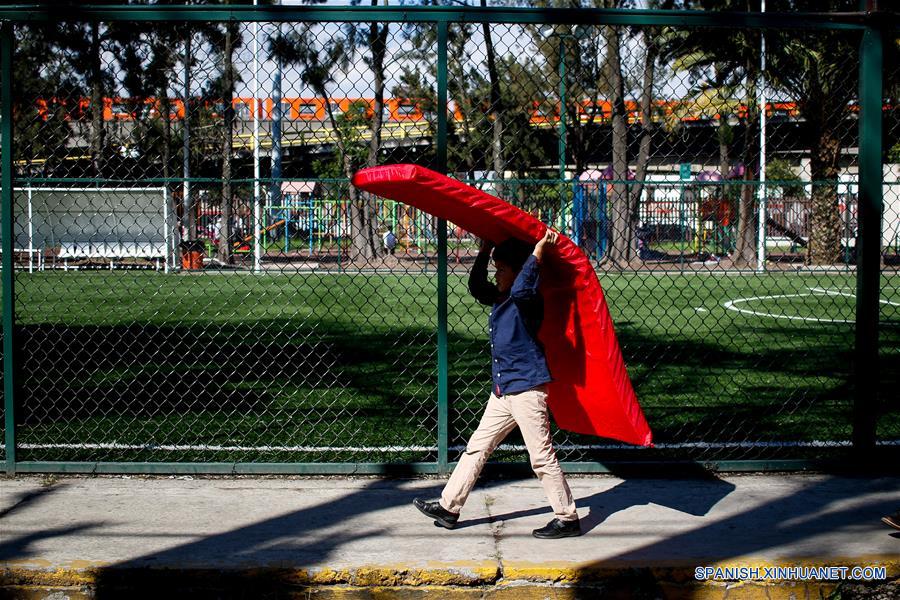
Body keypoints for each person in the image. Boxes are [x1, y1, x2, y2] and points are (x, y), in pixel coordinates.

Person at [414, 228, 581, 539]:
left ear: (519, 272)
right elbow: (478, 286)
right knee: (477, 447)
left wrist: (538, 253)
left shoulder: (527, 299)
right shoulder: (502, 297)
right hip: (504, 391)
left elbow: (521, 290)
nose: (496, 274)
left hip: (528, 389)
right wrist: (484, 249)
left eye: (502, 269)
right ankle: (449, 507)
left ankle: (567, 517)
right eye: (496, 268)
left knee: (541, 456)